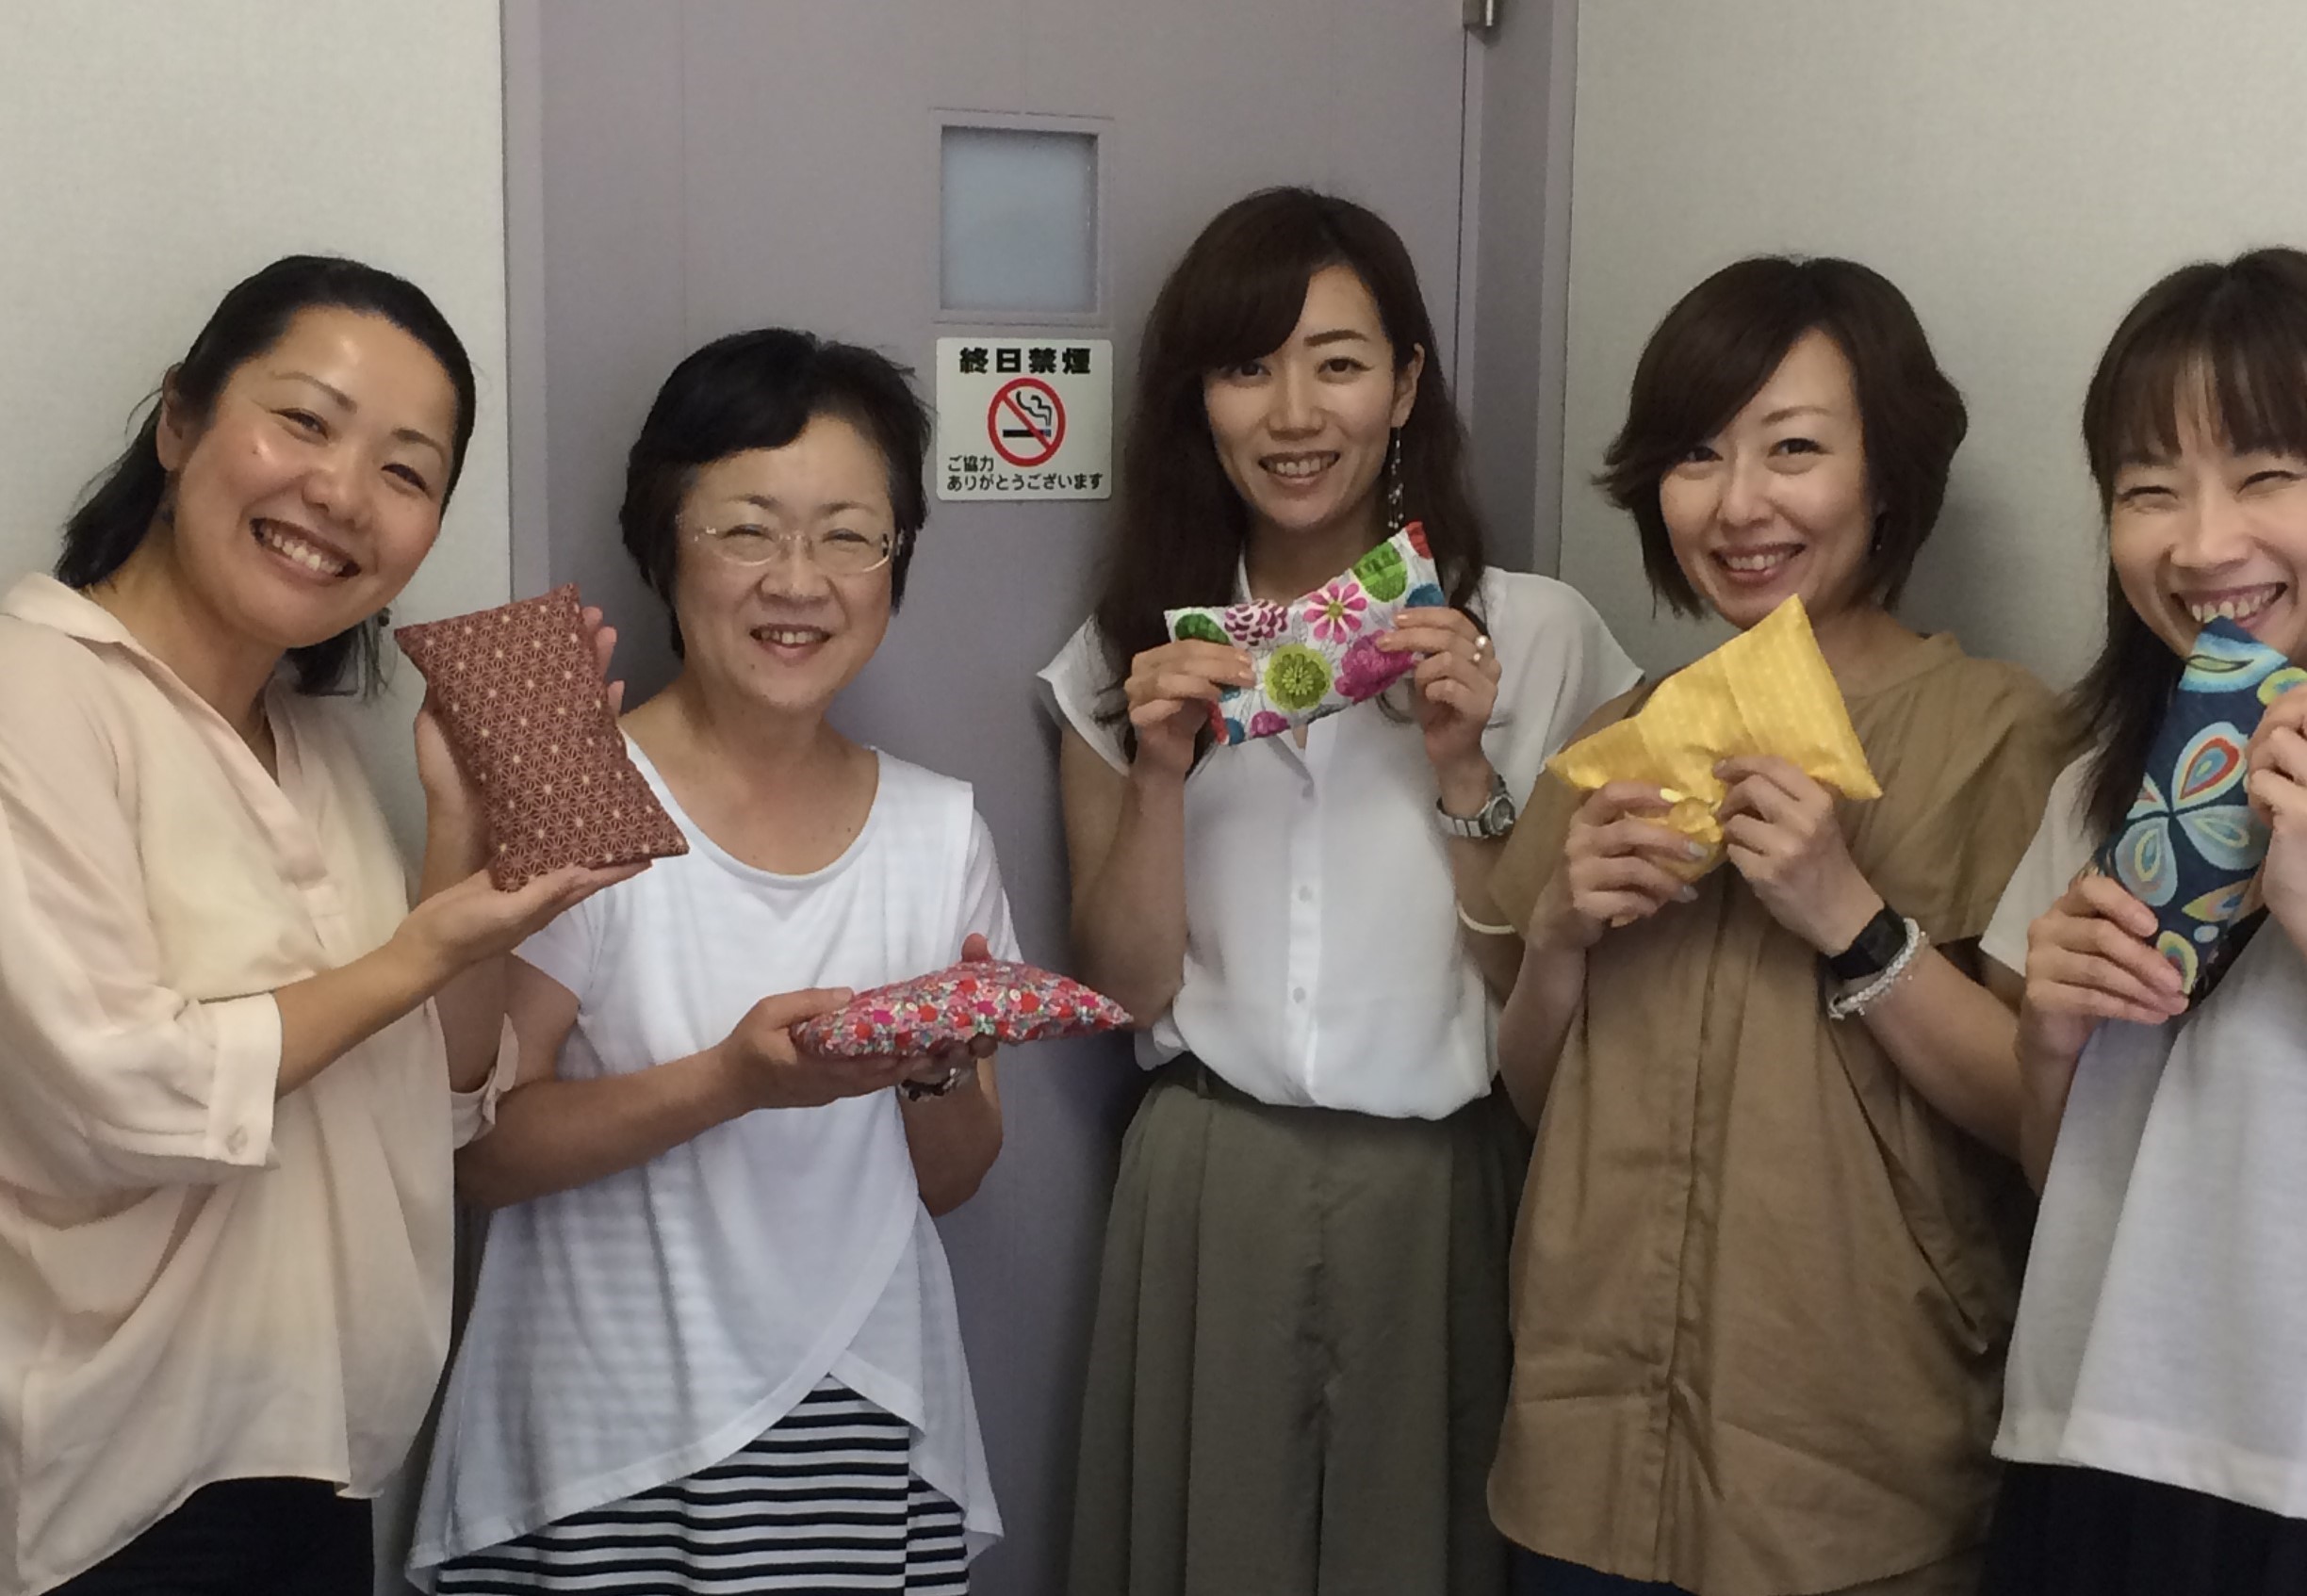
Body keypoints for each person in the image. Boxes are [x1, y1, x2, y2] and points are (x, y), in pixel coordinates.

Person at [0, 255, 629, 1596]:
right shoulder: (34, 689)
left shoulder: (313, 745)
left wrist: (459, 828)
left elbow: (436, 1102)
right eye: (304, 421)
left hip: (319, 1456)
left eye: (407, 471)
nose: (342, 494)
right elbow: (120, 1091)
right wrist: (415, 952)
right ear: (180, 421)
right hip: (113, 1485)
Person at [1042, 186, 1638, 1596]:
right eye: (1248, 367)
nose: (1295, 413)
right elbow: (1121, 986)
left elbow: (1554, 992)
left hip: (1447, 1186)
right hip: (1210, 1180)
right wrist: (1160, 770)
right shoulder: (1127, 656)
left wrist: (1461, 762)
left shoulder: (1542, 638)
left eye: (1340, 362)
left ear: (1406, 384)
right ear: (1200, 400)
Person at [1487, 256, 2061, 1596]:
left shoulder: (2005, 735)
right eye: (1697, 454)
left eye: (1793, 448)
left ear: (1887, 472)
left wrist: (1848, 914)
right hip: (1584, 1448)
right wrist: (1559, 936)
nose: (1739, 504)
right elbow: (1536, 1094)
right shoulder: (1620, 737)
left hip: (1852, 1468)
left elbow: (2042, 1114)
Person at [412, 329, 1007, 1595]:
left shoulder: (940, 829)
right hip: (605, 1435)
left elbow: (952, 1178)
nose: (799, 581)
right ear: (664, 544)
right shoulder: (581, 799)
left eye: (850, 536)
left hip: (861, 1428)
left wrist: (939, 1070)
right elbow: (482, 1154)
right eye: (747, 530)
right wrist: (733, 1081)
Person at [1978, 247, 2307, 1595]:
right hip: (2094, 1430)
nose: (2202, 543)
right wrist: (2049, 1041)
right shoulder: (2099, 792)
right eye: (2148, 489)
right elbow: (2067, 1174)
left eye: (2269, 473)